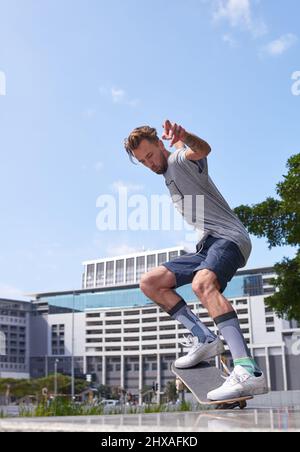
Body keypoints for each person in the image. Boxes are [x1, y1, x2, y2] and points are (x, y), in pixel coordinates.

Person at [124, 120, 268, 401]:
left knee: (203, 284)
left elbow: (202, 150)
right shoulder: (170, 165)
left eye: (151, 156)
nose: (150, 164)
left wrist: (185, 136)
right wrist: (178, 139)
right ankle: (205, 339)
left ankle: (246, 370)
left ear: (160, 145)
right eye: (143, 162)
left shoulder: (179, 160)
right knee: (151, 283)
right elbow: (179, 146)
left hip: (228, 237)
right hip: (207, 245)